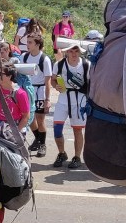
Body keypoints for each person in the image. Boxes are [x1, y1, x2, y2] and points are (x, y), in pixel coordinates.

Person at [51, 41, 90, 170]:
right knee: (57, 128)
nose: (74, 54)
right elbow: (53, 79)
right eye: (71, 51)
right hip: (63, 98)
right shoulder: (59, 64)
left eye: (76, 51)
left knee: (77, 130)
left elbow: (91, 83)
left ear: (80, 52)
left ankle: (77, 157)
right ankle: (62, 153)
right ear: (67, 52)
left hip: (79, 100)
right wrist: (55, 86)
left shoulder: (86, 65)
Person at [21, 33, 53, 157]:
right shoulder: (24, 57)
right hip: (28, 91)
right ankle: (38, 139)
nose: (27, 44)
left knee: (40, 119)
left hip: (40, 91)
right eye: (27, 42)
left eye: (30, 42)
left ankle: (42, 144)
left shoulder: (44, 59)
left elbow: (48, 81)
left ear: (37, 44)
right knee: (29, 118)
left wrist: (47, 99)